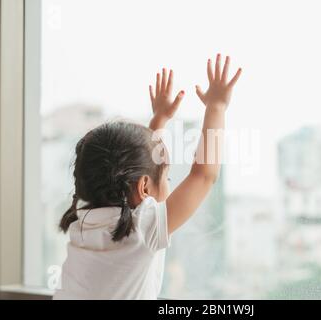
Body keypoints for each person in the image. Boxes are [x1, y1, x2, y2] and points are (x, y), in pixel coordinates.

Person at [53, 54, 242, 299]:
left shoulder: (83, 222)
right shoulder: (141, 227)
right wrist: (216, 107)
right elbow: (203, 175)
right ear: (143, 187)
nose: (169, 186)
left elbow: (146, 173)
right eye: (167, 178)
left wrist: (159, 120)